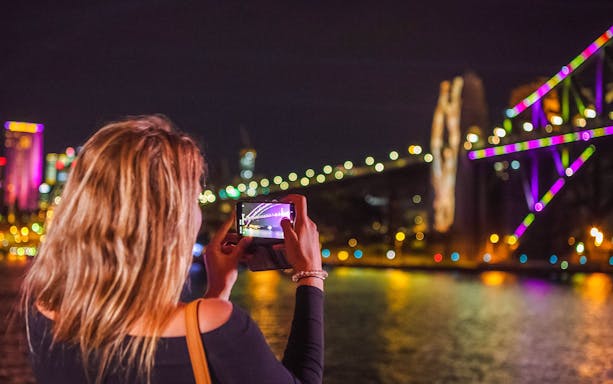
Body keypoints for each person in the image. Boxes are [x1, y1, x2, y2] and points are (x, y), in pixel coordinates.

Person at [21, 115, 325, 383]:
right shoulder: (221, 328)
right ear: (168, 219)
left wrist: (216, 292)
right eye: (193, 199)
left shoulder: (44, 311)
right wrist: (310, 275)